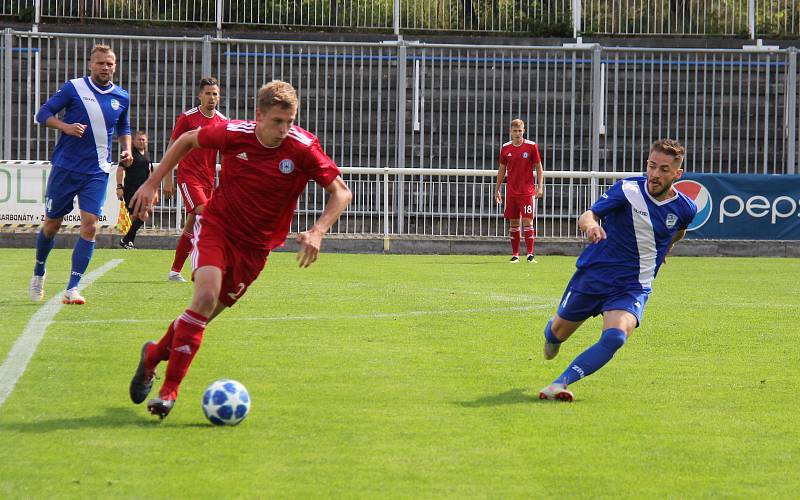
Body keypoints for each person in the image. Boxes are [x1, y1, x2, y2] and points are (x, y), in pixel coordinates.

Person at [127, 80, 352, 420]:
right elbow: (188, 140)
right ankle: (168, 392)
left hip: (256, 250)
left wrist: (318, 231)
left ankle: (153, 356)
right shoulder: (235, 133)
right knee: (203, 299)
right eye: (278, 121)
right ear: (259, 115)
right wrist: (152, 181)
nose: (285, 129)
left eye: (290, 121)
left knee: (200, 317)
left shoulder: (303, 148)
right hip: (218, 228)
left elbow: (341, 192)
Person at [538, 139, 697, 402]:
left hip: (632, 285)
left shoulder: (686, 208)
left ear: (677, 174)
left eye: (664, 170)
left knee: (615, 337)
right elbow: (588, 215)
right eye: (652, 166)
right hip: (594, 275)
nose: (655, 175)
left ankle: (560, 383)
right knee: (557, 334)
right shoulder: (628, 189)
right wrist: (591, 227)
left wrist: (665, 251)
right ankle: (552, 333)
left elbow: (677, 231)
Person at [30, 44, 132, 305]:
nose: (105, 67)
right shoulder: (74, 87)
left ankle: (72, 288)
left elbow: (123, 126)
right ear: (90, 64)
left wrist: (127, 149)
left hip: (97, 171)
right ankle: (39, 270)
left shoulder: (121, 96)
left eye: (110, 63)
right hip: (66, 167)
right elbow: (42, 114)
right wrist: (65, 126)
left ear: (115, 66)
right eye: (100, 63)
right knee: (51, 225)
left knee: (90, 225)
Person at [163, 77, 227, 282]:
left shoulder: (223, 122)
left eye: (215, 94)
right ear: (200, 95)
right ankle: (201, 267)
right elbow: (173, 147)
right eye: (208, 93)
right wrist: (168, 179)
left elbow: (226, 156)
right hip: (188, 177)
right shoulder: (188, 118)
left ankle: (174, 271)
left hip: (208, 180)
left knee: (192, 225)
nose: (211, 97)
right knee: (206, 216)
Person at [495, 119, 544, 264]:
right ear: (511, 131)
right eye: (515, 131)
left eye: (520, 131)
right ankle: (515, 255)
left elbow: (539, 167)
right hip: (511, 192)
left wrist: (540, 186)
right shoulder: (505, 148)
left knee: (528, 222)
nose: (517, 133)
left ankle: (530, 255)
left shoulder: (531, 146)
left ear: (524, 131)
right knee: (514, 223)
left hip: (527, 192)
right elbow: (501, 169)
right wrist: (497, 189)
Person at [115, 131, 155, 249]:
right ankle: (127, 240)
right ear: (133, 141)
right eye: (139, 139)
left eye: (144, 140)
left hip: (143, 191)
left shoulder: (147, 155)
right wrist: (119, 186)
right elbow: (120, 169)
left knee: (143, 215)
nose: (142, 142)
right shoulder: (130, 154)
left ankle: (127, 240)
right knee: (136, 215)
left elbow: (150, 172)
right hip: (131, 189)